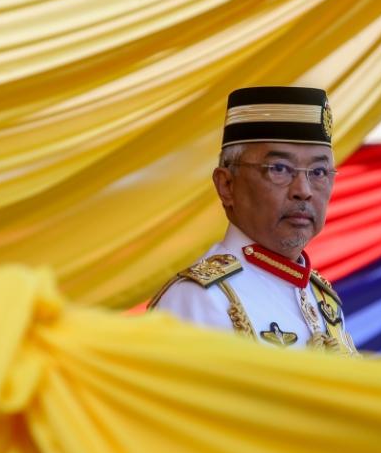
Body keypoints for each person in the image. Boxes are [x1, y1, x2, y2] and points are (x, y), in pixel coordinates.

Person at [149, 86, 358, 355]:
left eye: (318, 171)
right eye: (279, 169)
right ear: (226, 185)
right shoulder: (200, 299)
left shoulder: (321, 298)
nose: (303, 190)